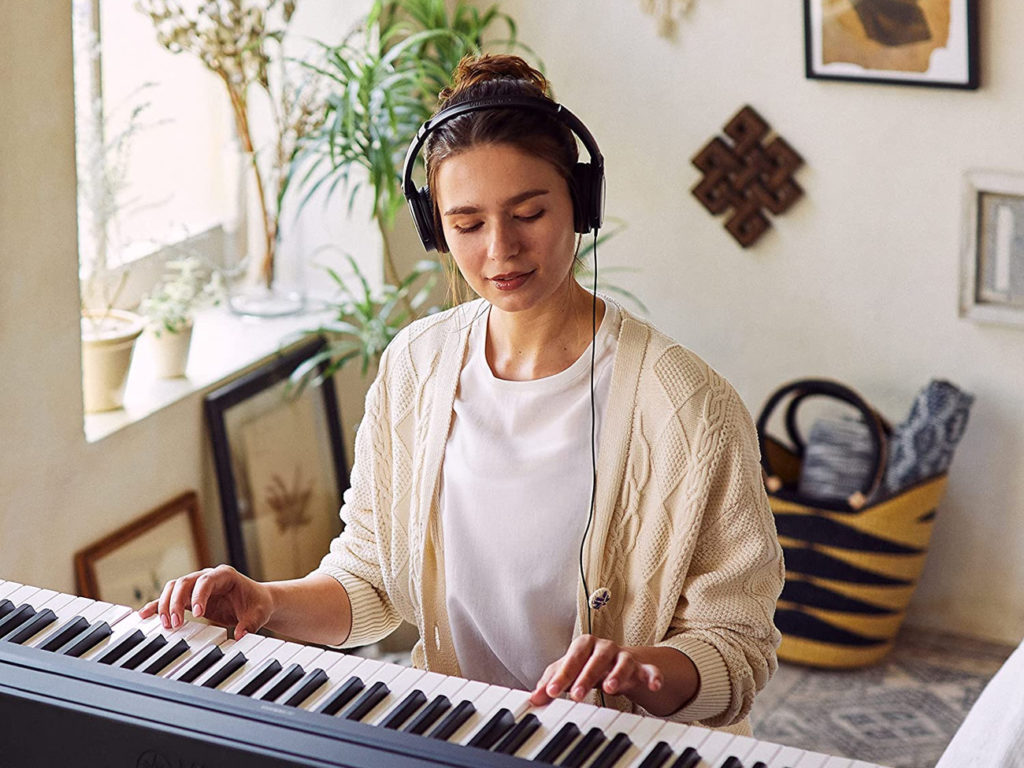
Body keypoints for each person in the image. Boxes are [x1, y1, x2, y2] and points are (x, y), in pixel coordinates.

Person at [141, 53, 784, 735]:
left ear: (581, 203)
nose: (501, 249)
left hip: (627, 748)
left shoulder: (689, 407)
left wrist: (644, 672)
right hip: (462, 738)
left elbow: (737, 647)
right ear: (436, 228)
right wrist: (266, 601)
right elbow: (371, 583)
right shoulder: (415, 366)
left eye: (529, 212)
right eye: (469, 224)